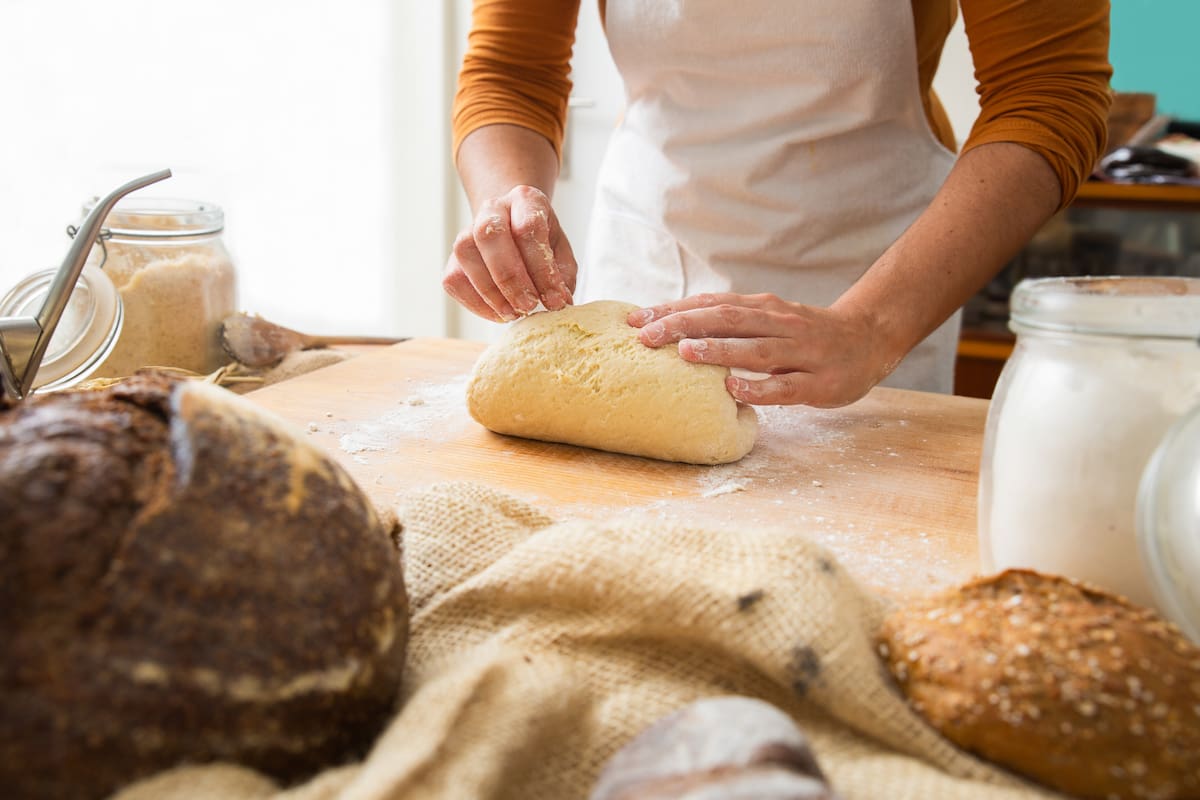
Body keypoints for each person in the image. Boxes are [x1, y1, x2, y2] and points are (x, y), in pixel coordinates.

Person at [443, 0, 1112, 407]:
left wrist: (872, 329)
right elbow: (512, 71)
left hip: (874, 281)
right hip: (650, 259)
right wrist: (508, 203)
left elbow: (1047, 93)